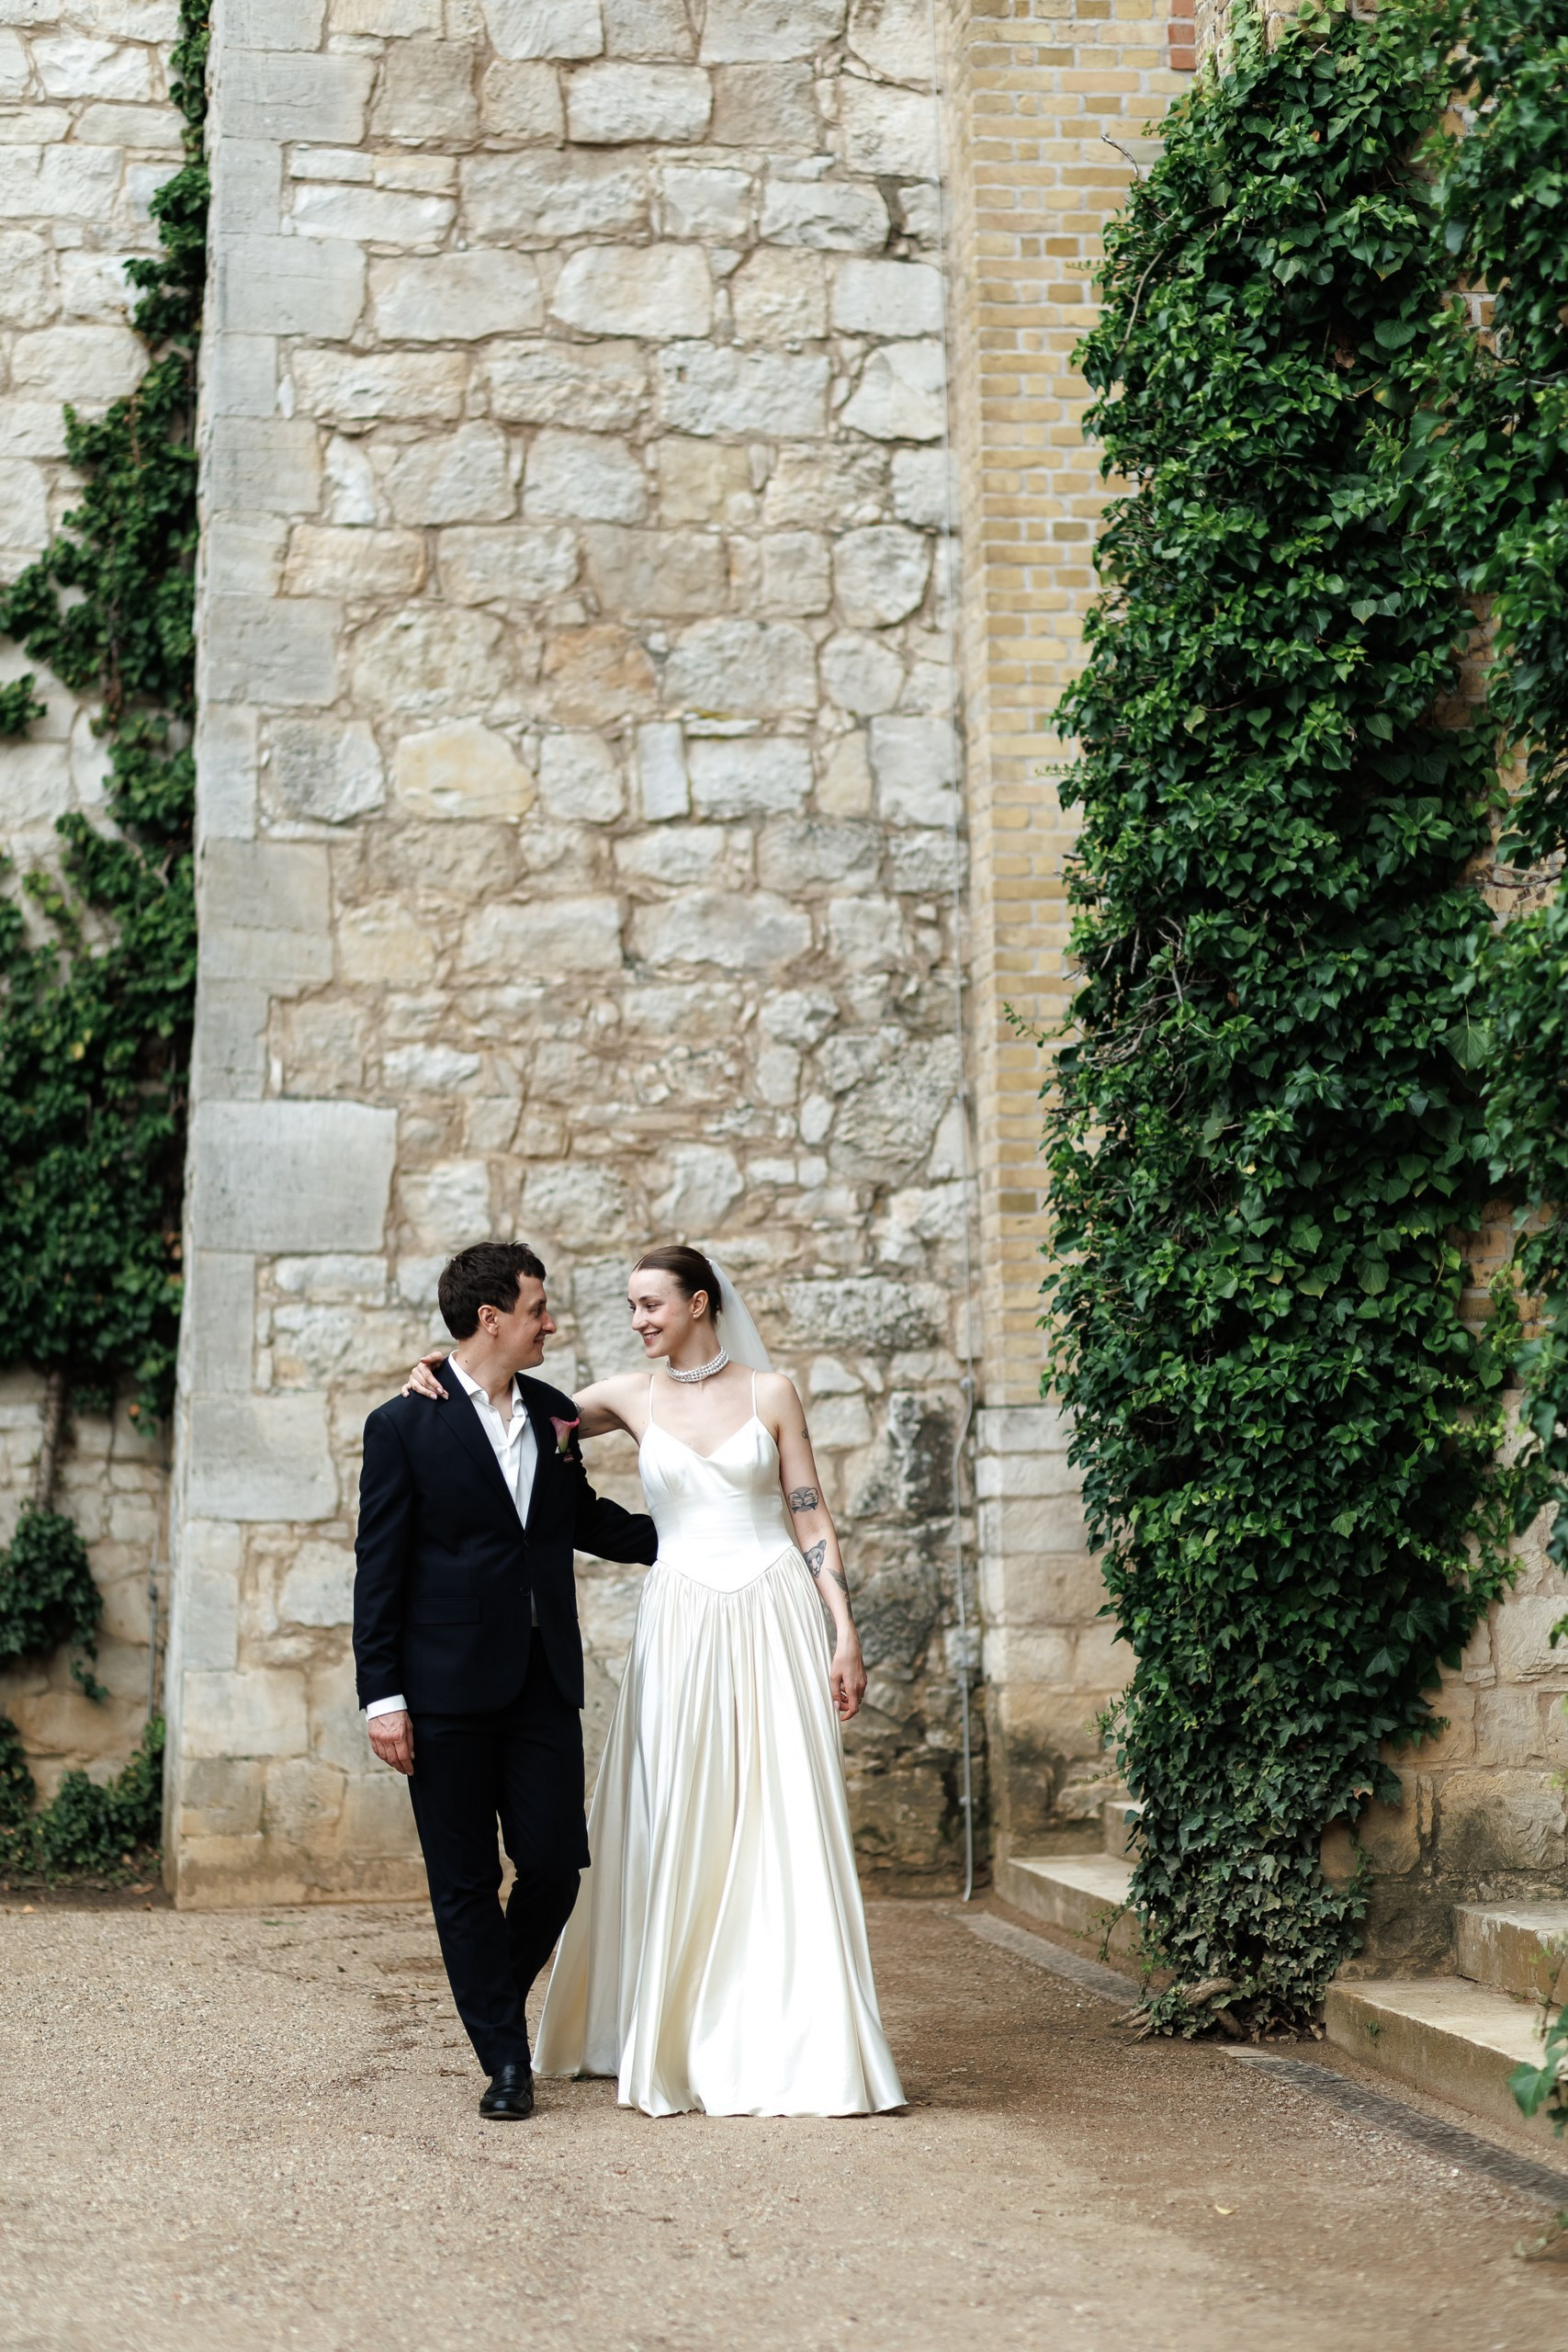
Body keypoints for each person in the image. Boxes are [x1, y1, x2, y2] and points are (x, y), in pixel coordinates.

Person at [402, 1243, 905, 2120]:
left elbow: (808, 1511)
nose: (634, 1321)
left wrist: (843, 1627)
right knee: (681, 1813)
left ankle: (792, 2032)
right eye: (630, 1307)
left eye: (648, 1305)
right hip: (681, 1623)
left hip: (774, 1613)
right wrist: (430, 1373)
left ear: (699, 1303)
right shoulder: (614, 1399)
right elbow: (501, 1408)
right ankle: (657, 2024)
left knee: (780, 1812)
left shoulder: (772, 1393)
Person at [354, 1240, 659, 2122]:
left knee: (556, 1868)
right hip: (439, 1687)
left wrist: (699, 1536)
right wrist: (383, 1697)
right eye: (538, 1310)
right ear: (491, 1318)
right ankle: (504, 2060)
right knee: (461, 1882)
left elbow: (585, 1520)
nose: (550, 1325)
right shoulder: (402, 1423)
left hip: (540, 1681)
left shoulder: (556, 1414)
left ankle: (489, 1991)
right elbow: (379, 1567)